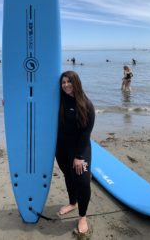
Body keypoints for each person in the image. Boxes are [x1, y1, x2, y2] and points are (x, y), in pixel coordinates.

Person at [56, 71, 95, 235]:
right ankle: (73, 202)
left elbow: (86, 132)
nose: (65, 85)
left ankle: (82, 216)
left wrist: (79, 157)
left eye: (69, 82)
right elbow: (35, 99)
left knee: (83, 181)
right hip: (61, 148)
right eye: (63, 82)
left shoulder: (86, 104)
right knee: (68, 175)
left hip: (80, 149)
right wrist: (9, 102)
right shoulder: (59, 99)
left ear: (76, 83)